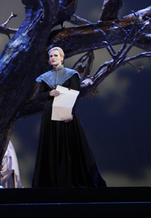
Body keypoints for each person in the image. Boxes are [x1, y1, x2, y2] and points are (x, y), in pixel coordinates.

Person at [32, 47, 106, 188]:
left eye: (55, 56)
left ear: (61, 57)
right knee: (52, 144)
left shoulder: (72, 75)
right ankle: (51, 181)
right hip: (50, 113)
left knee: (68, 143)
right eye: (50, 56)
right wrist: (49, 93)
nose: (52, 58)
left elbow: (76, 94)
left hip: (66, 111)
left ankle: (71, 179)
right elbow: (39, 96)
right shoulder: (46, 77)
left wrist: (69, 113)